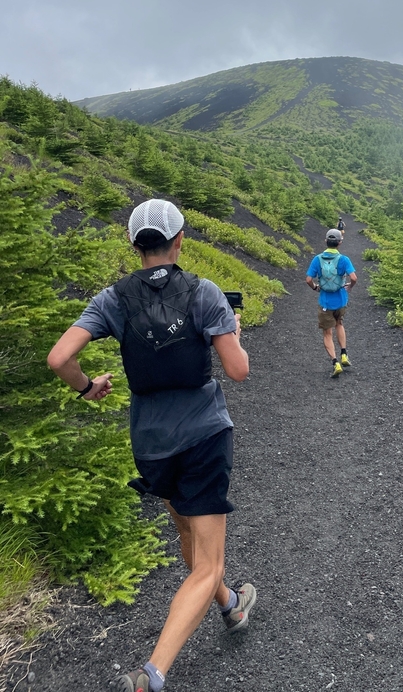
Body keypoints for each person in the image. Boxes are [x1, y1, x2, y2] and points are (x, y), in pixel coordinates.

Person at [47, 199, 256, 692]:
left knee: (188, 530)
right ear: (181, 239)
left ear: (133, 244)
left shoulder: (112, 300)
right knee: (208, 561)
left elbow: (60, 358)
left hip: (152, 443)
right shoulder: (204, 293)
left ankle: (229, 604)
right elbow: (239, 370)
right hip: (203, 436)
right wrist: (234, 333)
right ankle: (151, 675)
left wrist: (86, 386)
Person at [306, 228, 357, 378]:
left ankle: (335, 363)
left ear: (325, 241)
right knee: (339, 323)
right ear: (340, 242)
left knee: (327, 332)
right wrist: (350, 287)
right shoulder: (344, 260)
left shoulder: (317, 259)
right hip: (341, 299)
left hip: (325, 301)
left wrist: (315, 287)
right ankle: (344, 354)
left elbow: (308, 279)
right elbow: (354, 278)